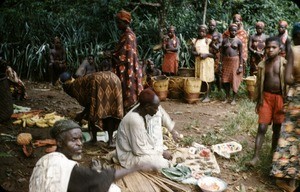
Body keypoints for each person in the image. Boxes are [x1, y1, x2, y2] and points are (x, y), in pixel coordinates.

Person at [29, 119, 157, 192]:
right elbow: (101, 179)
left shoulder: (45, 160)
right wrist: (137, 167)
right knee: (113, 190)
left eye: (81, 139)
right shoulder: (67, 167)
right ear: (60, 142)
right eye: (74, 140)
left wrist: (94, 173)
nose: (80, 144)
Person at [246, 36, 286, 167]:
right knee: (262, 127)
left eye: (273, 47)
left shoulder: (284, 63)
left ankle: (273, 155)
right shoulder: (263, 65)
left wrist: (288, 102)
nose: (270, 50)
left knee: (277, 128)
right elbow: (258, 85)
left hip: (280, 98)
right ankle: (256, 157)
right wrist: (258, 100)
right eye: (267, 47)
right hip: (266, 98)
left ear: (280, 49)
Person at [269, 22, 300, 192]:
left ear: (296, 36)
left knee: (291, 137)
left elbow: (287, 79)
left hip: (297, 97)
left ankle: (290, 181)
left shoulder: (293, 51)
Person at [116, 88, 179, 169]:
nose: (157, 111)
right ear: (147, 107)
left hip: (139, 150)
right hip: (129, 157)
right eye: (155, 108)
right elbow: (138, 151)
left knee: (159, 157)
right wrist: (160, 153)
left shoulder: (143, 111)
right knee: (161, 163)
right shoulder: (135, 120)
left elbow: (145, 143)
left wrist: (159, 151)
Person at [59, 71, 124, 147]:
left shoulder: (74, 86)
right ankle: (110, 141)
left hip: (98, 81)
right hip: (114, 78)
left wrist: (81, 115)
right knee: (110, 112)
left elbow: (89, 103)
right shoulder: (82, 80)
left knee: (93, 112)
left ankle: (94, 140)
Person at [112, 10, 143, 113]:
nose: (117, 25)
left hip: (127, 68)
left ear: (125, 22)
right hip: (127, 66)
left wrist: (111, 55)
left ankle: (127, 114)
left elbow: (124, 56)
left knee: (127, 90)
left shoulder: (128, 36)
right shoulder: (127, 35)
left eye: (119, 23)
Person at [220, 23, 243, 105]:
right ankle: (227, 96)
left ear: (237, 31)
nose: (233, 32)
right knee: (225, 80)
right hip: (226, 61)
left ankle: (234, 98)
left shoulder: (239, 41)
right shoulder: (224, 40)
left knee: (234, 80)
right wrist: (220, 63)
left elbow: (241, 54)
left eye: (235, 31)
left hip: (235, 62)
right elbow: (221, 53)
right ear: (229, 31)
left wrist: (240, 66)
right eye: (232, 30)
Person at [192, 24, 215, 102]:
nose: (202, 33)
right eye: (200, 31)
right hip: (199, 62)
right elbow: (192, 52)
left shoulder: (208, 41)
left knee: (208, 79)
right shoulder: (195, 41)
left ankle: (207, 95)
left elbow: (213, 54)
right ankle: (202, 95)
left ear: (206, 32)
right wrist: (198, 54)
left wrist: (207, 54)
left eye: (203, 32)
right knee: (201, 79)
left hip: (207, 63)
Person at [207, 19, 223, 91]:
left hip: (216, 56)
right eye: (210, 25)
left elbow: (220, 45)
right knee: (208, 72)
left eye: (213, 25)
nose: (211, 27)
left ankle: (219, 90)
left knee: (218, 73)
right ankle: (208, 89)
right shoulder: (206, 34)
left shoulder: (219, 35)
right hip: (207, 55)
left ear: (216, 26)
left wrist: (213, 45)